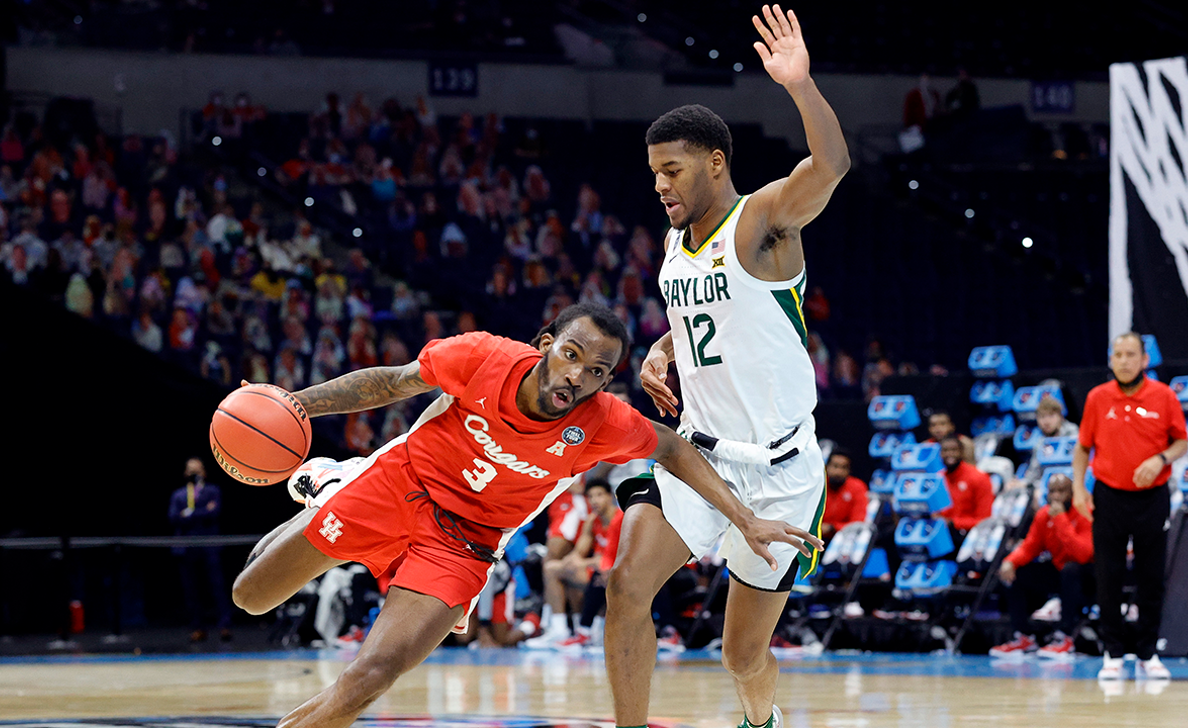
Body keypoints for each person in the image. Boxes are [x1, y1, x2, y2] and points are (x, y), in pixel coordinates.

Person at [231, 303, 820, 728]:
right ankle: (339, 480)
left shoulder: (602, 422)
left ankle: (333, 487)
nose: (577, 376)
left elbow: (673, 447)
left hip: (461, 544)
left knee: (372, 676)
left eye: (597, 371)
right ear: (545, 343)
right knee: (249, 597)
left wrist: (742, 516)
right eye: (571, 355)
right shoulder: (480, 355)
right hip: (393, 488)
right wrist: (292, 404)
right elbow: (390, 382)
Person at [607, 8, 846, 728]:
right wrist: (663, 347)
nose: (659, 185)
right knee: (624, 587)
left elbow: (830, 165)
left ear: (715, 162)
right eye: (653, 173)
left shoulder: (764, 220)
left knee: (741, 655)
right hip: (698, 458)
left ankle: (760, 721)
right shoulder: (677, 244)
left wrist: (801, 88)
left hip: (778, 470)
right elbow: (708, 319)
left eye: (671, 169)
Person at [1072, 332, 1187, 681]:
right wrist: (1078, 488)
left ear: (1144, 359)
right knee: (1108, 576)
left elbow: (1181, 441)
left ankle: (1149, 653)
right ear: (1111, 360)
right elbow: (1082, 447)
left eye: (1130, 354)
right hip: (1109, 496)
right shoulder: (1097, 398)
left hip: (1152, 497)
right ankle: (1113, 653)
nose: (1123, 361)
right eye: (1117, 354)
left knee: (1151, 578)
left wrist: (1160, 458)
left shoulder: (1164, 396)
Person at [989, 474, 1094, 658]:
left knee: (1071, 569)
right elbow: (1030, 547)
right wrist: (1010, 562)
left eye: (1061, 491)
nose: (1055, 496)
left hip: (1089, 576)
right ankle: (1023, 637)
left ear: (1072, 493)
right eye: (1052, 491)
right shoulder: (1044, 515)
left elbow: (1082, 554)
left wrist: (1061, 518)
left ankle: (1065, 638)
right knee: (1016, 573)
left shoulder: (1084, 511)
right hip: (1060, 571)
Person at [528, 479, 623, 648]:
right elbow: (578, 552)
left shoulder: (620, 519)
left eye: (599, 495)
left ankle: (587, 631)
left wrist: (582, 562)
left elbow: (609, 559)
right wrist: (569, 562)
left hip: (619, 574)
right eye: (591, 496)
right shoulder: (593, 520)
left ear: (610, 497)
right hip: (598, 572)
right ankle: (561, 630)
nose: (594, 500)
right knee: (552, 568)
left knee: (600, 574)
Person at [169, 457, 232, 642]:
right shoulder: (179, 495)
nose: (194, 473)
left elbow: (215, 513)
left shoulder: (213, 491)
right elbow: (174, 518)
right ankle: (198, 627)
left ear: (204, 472)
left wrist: (189, 514)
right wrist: (202, 511)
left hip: (209, 546)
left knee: (217, 587)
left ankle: (225, 626)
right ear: (185, 473)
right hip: (187, 548)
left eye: (197, 469)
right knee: (191, 590)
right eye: (190, 470)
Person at [937, 435, 993, 535]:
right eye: (945, 450)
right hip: (942, 534)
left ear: (962, 452)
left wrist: (953, 523)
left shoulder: (979, 478)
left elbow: (984, 520)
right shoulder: (938, 479)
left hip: (968, 534)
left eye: (954, 450)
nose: (949, 454)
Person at [1025, 395, 1079, 483]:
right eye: (1042, 417)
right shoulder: (1040, 443)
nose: (1046, 422)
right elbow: (1034, 472)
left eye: (1051, 416)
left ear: (1061, 417)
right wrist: (1024, 483)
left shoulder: (1073, 434)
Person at [821, 448, 868, 541]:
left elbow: (857, 522)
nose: (838, 472)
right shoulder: (818, 484)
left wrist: (833, 528)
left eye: (844, 467)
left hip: (843, 539)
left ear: (849, 470)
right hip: (813, 535)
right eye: (835, 466)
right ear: (826, 467)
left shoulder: (857, 487)